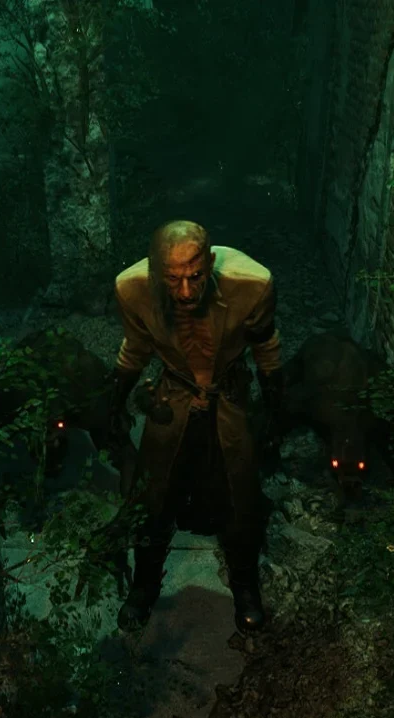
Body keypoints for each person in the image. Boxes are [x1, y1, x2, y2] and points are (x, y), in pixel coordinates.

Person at [103, 220, 284, 634]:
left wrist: (276, 412)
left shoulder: (251, 285)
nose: (186, 292)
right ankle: (145, 586)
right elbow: (135, 349)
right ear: (155, 272)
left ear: (211, 262)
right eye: (172, 279)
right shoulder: (132, 289)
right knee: (153, 496)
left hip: (228, 394)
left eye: (196, 276)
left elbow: (266, 349)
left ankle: (245, 586)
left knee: (240, 495)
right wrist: (113, 403)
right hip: (175, 395)